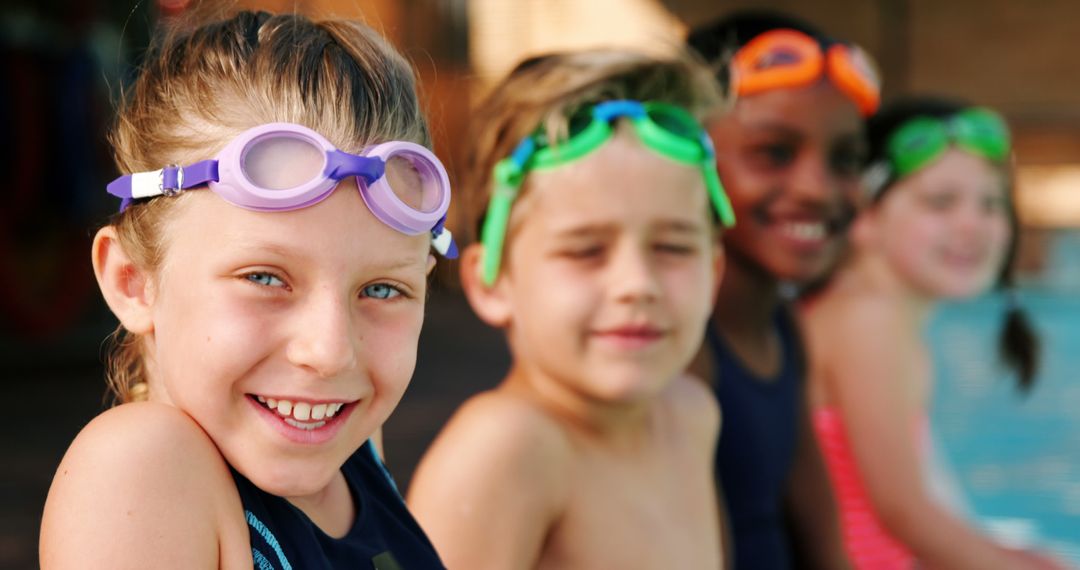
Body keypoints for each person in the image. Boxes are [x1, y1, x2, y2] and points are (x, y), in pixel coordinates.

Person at [39, 10, 455, 569]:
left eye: (381, 290)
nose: (331, 352)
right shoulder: (141, 469)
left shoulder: (356, 453)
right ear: (134, 280)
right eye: (264, 278)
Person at [405, 50, 733, 569]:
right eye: (585, 251)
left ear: (713, 274)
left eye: (673, 248)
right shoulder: (505, 452)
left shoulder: (692, 415)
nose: (637, 285)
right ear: (491, 282)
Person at [802, 97, 1065, 570]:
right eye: (940, 202)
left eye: (991, 203)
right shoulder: (866, 318)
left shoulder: (881, 317)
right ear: (864, 217)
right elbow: (904, 514)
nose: (972, 224)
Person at [686, 11, 876, 569]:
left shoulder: (781, 326)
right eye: (774, 153)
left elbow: (826, 545)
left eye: (846, 159)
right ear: (691, 155)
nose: (817, 190)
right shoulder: (681, 352)